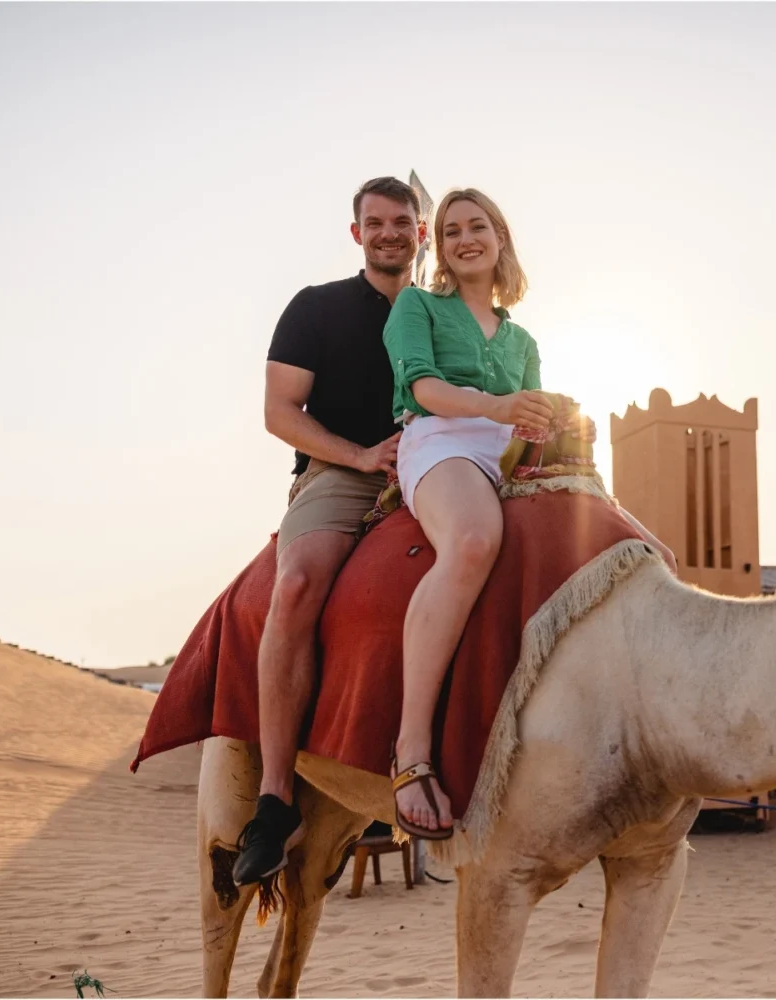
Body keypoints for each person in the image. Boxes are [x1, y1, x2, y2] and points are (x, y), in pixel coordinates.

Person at [231, 177, 424, 885]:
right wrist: (361, 455)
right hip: (340, 475)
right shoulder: (315, 308)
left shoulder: (441, 315)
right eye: (375, 222)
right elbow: (280, 411)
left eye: (402, 221)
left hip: (433, 476)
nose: (389, 232)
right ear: (357, 233)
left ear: (420, 232)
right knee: (299, 583)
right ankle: (276, 798)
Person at [382, 187, 562, 839]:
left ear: (500, 237)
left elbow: (533, 419)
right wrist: (498, 406)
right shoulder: (417, 305)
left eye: (478, 226)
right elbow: (423, 387)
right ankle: (411, 749)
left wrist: (548, 418)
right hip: (442, 437)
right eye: (452, 229)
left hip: (507, 449)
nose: (465, 238)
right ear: (442, 247)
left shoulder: (523, 339)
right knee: (475, 540)